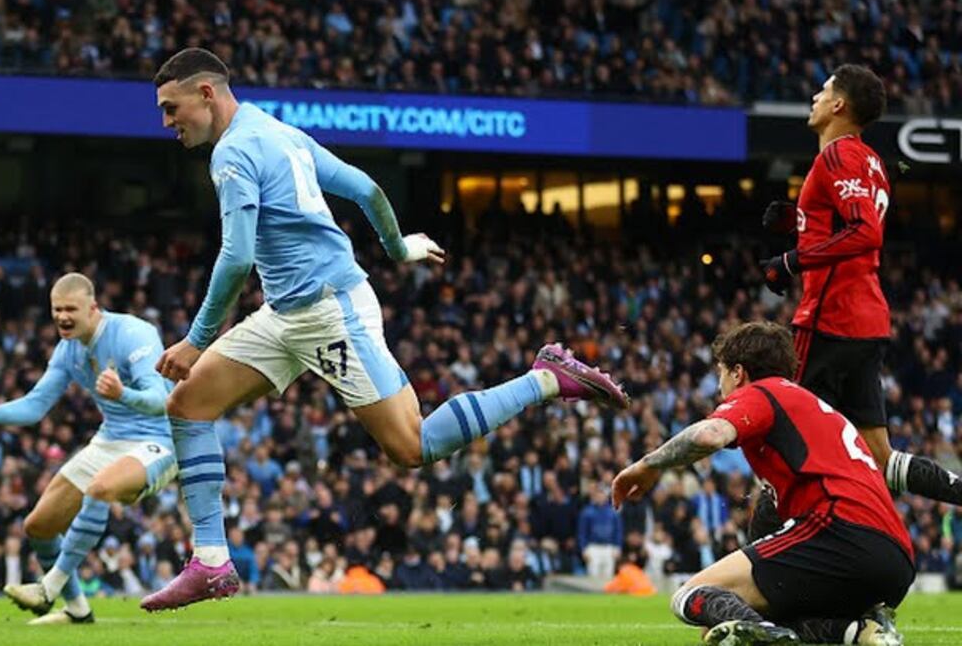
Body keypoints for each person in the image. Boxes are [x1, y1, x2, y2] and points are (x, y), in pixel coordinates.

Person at [144, 47, 628, 610]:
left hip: (329, 312)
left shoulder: (232, 153)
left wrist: (196, 338)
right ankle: (210, 562)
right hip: (286, 312)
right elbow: (366, 188)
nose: (166, 122)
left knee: (412, 445)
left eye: (170, 107)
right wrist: (399, 248)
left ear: (206, 93)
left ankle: (545, 379)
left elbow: (235, 256)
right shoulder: (280, 132)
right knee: (188, 406)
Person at [0, 273, 234, 624]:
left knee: (100, 488)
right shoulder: (68, 350)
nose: (62, 317)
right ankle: (77, 610)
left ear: (93, 308)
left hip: (158, 440)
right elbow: (36, 406)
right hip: (109, 440)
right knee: (39, 526)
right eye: (56, 310)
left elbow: (161, 399)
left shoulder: (132, 333)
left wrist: (123, 394)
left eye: (70, 309)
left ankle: (48, 587)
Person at [612, 322, 911, 645]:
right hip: (896, 560)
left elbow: (708, 435)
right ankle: (859, 631)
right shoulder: (816, 410)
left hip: (839, 532)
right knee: (729, 621)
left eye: (721, 373)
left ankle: (768, 638)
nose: (719, 386)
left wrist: (647, 465)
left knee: (690, 596)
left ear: (738, 373)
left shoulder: (763, 392)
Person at [761, 63, 962, 507]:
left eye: (823, 89)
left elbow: (864, 232)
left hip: (829, 319)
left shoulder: (836, 155)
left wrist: (790, 262)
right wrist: (797, 222)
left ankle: (763, 565)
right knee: (878, 455)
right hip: (867, 323)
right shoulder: (871, 161)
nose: (815, 96)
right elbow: (845, 231)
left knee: (779, 436)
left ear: (839, 105)